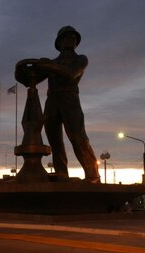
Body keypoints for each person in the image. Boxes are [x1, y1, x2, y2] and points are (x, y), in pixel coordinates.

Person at [30, 26, 100, 183]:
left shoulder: (81, 59)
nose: (72, 40)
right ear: (60, 42)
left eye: (74, 38)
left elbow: (71, 73)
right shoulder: (52, 63)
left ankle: (92, 175)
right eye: (67, 37)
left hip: (70, 99)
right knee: (54, 139)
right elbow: (31, 80)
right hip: (52, 100)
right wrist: (25, 72)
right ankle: (62, 174)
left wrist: (48, 66)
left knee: (78, 136)